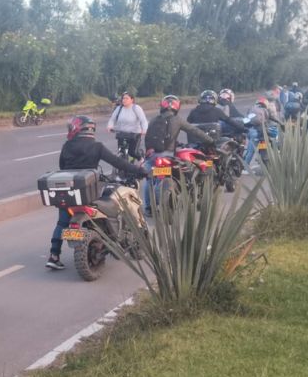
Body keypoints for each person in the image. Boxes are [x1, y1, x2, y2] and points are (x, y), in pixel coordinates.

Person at [47, 115, 146, 270]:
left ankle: (54, 256)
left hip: (69, 192)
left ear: (77, 129)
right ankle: (112, 237)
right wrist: (139, 170)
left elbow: (62, 165)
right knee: (112, 205)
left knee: (62, 222)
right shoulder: (96, 146)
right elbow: (118, 162)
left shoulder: (67, 146)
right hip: (88, 191)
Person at [141, 95, 215, 209]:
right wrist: (210, 140)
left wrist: (149, 153)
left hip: (152, 155)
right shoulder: (177, 119)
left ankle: (148, 207)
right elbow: (194, 130)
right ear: (177, 107)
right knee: (184, 170)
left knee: (149, 179)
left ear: (162, 106)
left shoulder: (154, 120)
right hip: (167, 155)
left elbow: (147, 138)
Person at [105, 92, 147, 161]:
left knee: (132, 152)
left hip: (134, 134)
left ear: (132, 100)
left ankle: (142, 160)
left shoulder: (136, 108)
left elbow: (143, 121)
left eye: (126, 98)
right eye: (123, 98)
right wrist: (110, 126)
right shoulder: (119, 108)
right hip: (122, 134)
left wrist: (144, 130)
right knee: (121, 151)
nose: (124, 100)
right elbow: (112, 119)